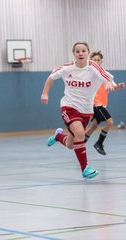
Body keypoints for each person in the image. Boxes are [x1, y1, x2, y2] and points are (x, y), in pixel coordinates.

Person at [41, 42, 114, 179]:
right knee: (80, 133)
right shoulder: (67, 68)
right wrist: (45, 94)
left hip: (86, 111)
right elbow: (51, 78)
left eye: (83, 51)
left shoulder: (93, 68)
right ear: (74, 53)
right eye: (77, 51)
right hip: (69, 107)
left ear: (88, 53)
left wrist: (109, 83)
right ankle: (85, 169)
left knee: (70, 144)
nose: (80, 53)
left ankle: (58, 136)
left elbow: (107, 77)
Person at [84, 51, 125, 155]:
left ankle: (79, 144)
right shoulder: (89, 74)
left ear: (101, 61)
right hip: (95, 105)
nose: (97, 62)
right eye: (94, 60)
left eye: (98, 60)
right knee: (110, 121)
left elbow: (112, 87)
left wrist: (118, 86)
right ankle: (99, 143)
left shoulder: (105, 74)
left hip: (102, 104)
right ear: (91, 61)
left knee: (93, 126)